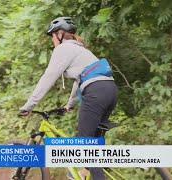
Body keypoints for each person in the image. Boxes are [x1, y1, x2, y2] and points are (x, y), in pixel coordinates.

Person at [19, 17, 118, 180]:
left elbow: (48, 78)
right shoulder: (82, 50)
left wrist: (29, 105)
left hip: (95, 92)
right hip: (110, 91)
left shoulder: (63, 49)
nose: (53, 41)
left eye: (52, 36)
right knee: (92, 146)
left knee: (83, 146)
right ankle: (86, 173)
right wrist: (70, 104)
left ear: (60, 34)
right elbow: (81, 80)